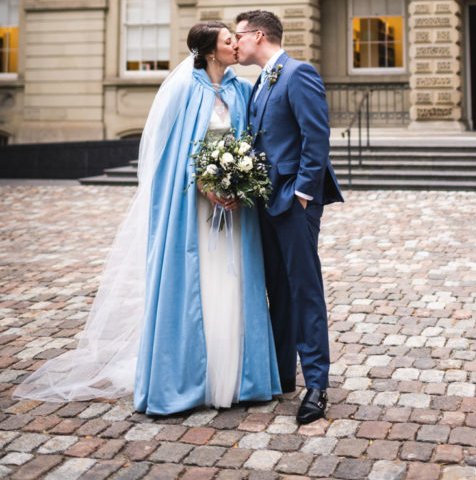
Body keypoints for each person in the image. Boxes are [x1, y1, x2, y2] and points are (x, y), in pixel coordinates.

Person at [14, 21, 280, 415]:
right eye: (228, 41)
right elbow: (169, 153)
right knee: (200, 282)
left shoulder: (241, 90)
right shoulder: (185, 91)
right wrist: (206, 184)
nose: (236, 46)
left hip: (235, 208)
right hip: (194, 207)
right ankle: (189, 377)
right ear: (211, 51)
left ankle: (239, 375)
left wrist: (237, 185)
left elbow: (248, 141)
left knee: (234, 279)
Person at [235, 9, 343, 425]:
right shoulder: (260, 81)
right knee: (276, 290)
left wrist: (301, 194)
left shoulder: (299, 73)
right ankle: (282, 375)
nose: (236, 43)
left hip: (292, 203)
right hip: (264, 202)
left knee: (304, 290)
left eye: (239, 36)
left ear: (258, 35)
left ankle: (316, 385)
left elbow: (316, 136)